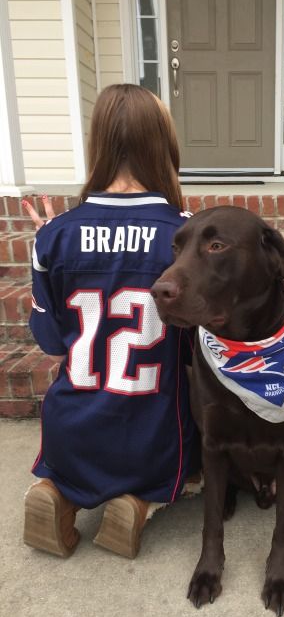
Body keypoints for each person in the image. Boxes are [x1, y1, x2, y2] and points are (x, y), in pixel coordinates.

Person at [23, 83, 200, 560]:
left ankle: (55, 493)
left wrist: (51, 251)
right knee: (183, 411)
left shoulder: (55, 236)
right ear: (161, 144)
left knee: (66, 462)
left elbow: (55, 349)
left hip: (72, 433)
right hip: (150, 428)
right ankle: (135, 503)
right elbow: (194, 348)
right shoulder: (185, 236)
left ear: (97, 144)